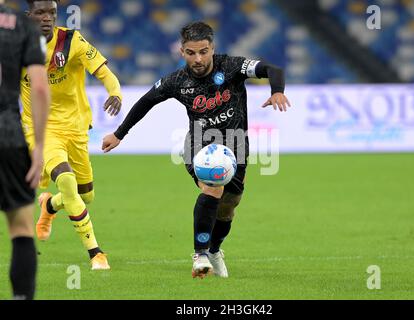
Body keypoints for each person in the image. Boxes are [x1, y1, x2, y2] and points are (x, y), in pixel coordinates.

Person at [102, 21, 290, 278]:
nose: (198, 58)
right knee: (213, 186)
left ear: (212, 48)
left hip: (236, 144)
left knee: (229, 205)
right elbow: (146, 102)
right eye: (191, 53)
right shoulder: (177, 81)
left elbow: (272, 68)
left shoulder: (232, 66)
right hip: (200, 145)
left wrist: (277, 91)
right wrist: (119, 133)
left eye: (203, 51)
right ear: (182, 52)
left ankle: (214, 250)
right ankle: (200, 254)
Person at [21, 0, 123, 270]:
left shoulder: (72, 41)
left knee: (85, 196)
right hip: (40, 130)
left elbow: (104, 73)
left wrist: (115, 92)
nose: (47, 18)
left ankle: (49, 206)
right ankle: (96, 253)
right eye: (40, 13)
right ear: (28, 15)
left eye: (52, 13)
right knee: (66, 180)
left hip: (76, 128)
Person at [0, 0, 50, 299]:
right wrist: (40, 145)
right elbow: (40, 88)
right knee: (21, 229)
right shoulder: (24, 27)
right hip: (8, 135)